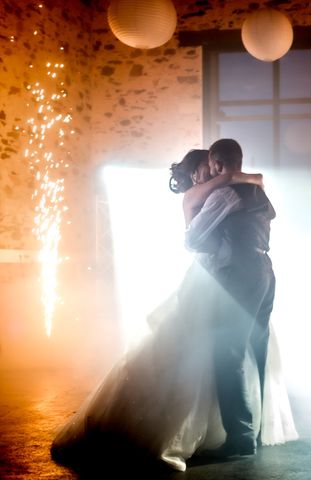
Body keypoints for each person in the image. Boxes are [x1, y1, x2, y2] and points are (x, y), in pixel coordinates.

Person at [50, 149, 297, 472]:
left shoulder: (228, 187)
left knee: (234, 352)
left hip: (230, 274)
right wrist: (229, 184)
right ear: (196, 173)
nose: (206, 173)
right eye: (203, 169)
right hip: (221, 273)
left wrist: (229, 182)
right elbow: (196, 241)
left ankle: (243, 431)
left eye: (210, 167)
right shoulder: (207, 192)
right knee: (223, 350)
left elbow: (248, 190)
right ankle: (241, 432)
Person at [184, 139, 277, 458]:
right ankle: (260, 428)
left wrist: (214, 241)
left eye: (210, 166)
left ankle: (242, 437)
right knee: (258, 348)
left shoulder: (224, 194)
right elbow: (271, 215)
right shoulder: (257, 190)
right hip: (265, 269)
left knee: (227, 350)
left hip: (238, 272)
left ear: (216, 163)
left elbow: (193, 239)